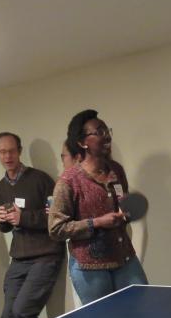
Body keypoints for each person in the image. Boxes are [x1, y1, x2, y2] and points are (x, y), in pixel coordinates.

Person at [48, 110, 148, 304]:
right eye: (99, 131)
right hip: (89, 269)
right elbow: (56, 229)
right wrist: (97, 223)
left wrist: (124, 213)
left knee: (142, 309)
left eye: (107, 130)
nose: (107, 135)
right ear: (82, 142)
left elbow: (122, 204)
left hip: (125, 258)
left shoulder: (116, 170)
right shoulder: (68, 181)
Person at [0, 132, 64, 318]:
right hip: (18, 258)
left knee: (22, 312)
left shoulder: (40, 179)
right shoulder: (1, 186)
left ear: (20, 151)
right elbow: (3, 227)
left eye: (12, 151)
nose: (8, 156)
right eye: (3, 152)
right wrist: (1, 218)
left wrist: (23, 217)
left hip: (45, 255)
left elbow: (55, 217)